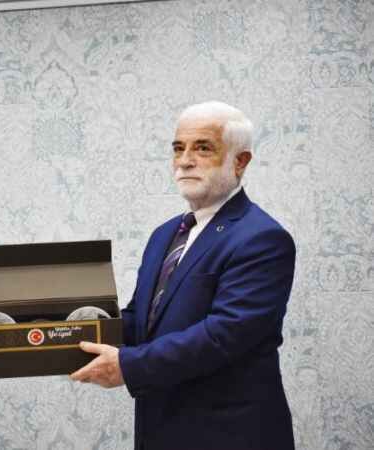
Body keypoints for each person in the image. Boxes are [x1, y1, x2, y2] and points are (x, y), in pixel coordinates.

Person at [71, 101, 296, 450]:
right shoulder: (164, 234)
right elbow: (140, 320)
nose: (185, 160)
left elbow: (223, 335)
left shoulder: (262, 238)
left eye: (202, 148)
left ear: (240, 161)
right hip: (160, 431)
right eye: (178, 148)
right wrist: (64, 335)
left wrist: (128, 366)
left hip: (230, 436)